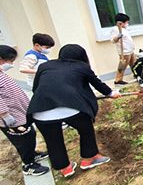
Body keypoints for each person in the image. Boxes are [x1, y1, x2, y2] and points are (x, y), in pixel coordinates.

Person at [27, 44, 121, 178]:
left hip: (41, 111)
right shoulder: (82, 66)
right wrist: (111, 93)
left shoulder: (45, 66)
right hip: (71, 107)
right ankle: (89, 159)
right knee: (86, 130)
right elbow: (97, 84)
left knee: (53, 140)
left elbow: (36, 88)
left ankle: (65, 168)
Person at [0, 45, 49, 176]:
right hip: (10, 117)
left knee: (30, 134)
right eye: (10, 61)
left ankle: (32, 154)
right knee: (22, 140)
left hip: (19, 113)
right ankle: (29, 165)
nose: (11, 64)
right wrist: (5, 115)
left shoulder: (1, 73)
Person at [109, 13, 136, 85]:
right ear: (121, 23)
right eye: (126, 22)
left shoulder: (124, 29)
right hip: (124, 52)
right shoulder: (116, 29)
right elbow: (113, 40)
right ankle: (118, 79)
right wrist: (117, 37)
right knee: (123, 65)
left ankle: (137, 74)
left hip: (130, 50)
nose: (127, 24)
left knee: (133, 63)